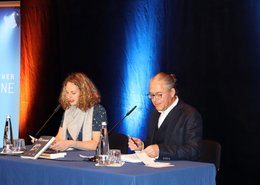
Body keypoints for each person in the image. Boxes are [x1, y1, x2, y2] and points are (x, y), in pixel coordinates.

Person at [128, 72, 203, 160]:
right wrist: (142, 146)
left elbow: (193, 151)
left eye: (159, 95)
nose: (154, 100)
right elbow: (153, 144)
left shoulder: (189, 114)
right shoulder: (154, 113)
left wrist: (160, 151)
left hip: (178, 170)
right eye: (152, 95)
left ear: (172, 92)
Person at [50, 72, 107, 151]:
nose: (69, 96)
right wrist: (46, 143)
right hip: (68, 158)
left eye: (73, 93)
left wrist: (71, 143)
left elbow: (97, 144)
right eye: (67, 92)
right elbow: (59, 137)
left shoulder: (97, 110)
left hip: (89, 159)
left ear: (84, 93)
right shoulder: (68, 111)